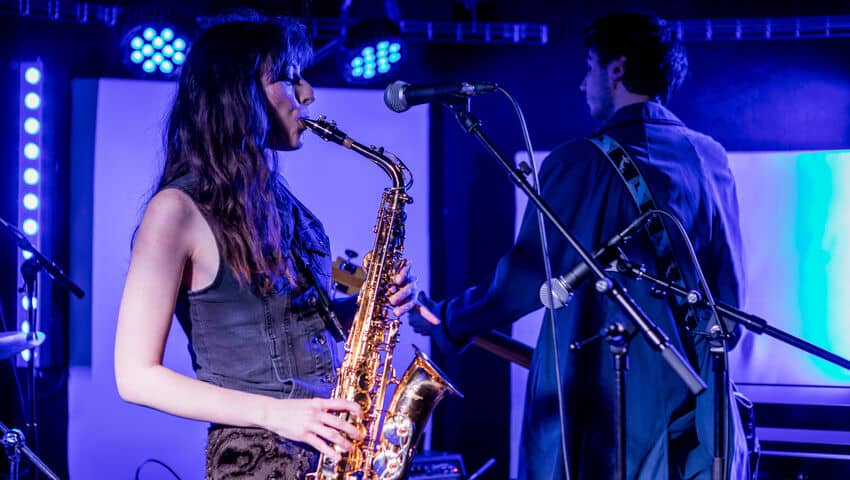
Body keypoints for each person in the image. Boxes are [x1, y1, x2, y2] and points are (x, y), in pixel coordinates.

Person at [412, 12, 751, 480]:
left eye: (590, 67)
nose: (582, 83)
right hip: (696, 407)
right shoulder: (708, 158)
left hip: (604, 407)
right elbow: (728, 306)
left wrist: (451, 320)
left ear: (617, 69)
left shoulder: (578, 162)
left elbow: (522, 281)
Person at [113, 15, 420, 479]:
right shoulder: (174, 211)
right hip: (256, 460)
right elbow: (135, 377)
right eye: (289, 78)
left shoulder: (278, 201)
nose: (307, 94)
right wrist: (277, 414)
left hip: (328, 448)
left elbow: (294, 322)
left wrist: (369, 306)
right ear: (240, 93)